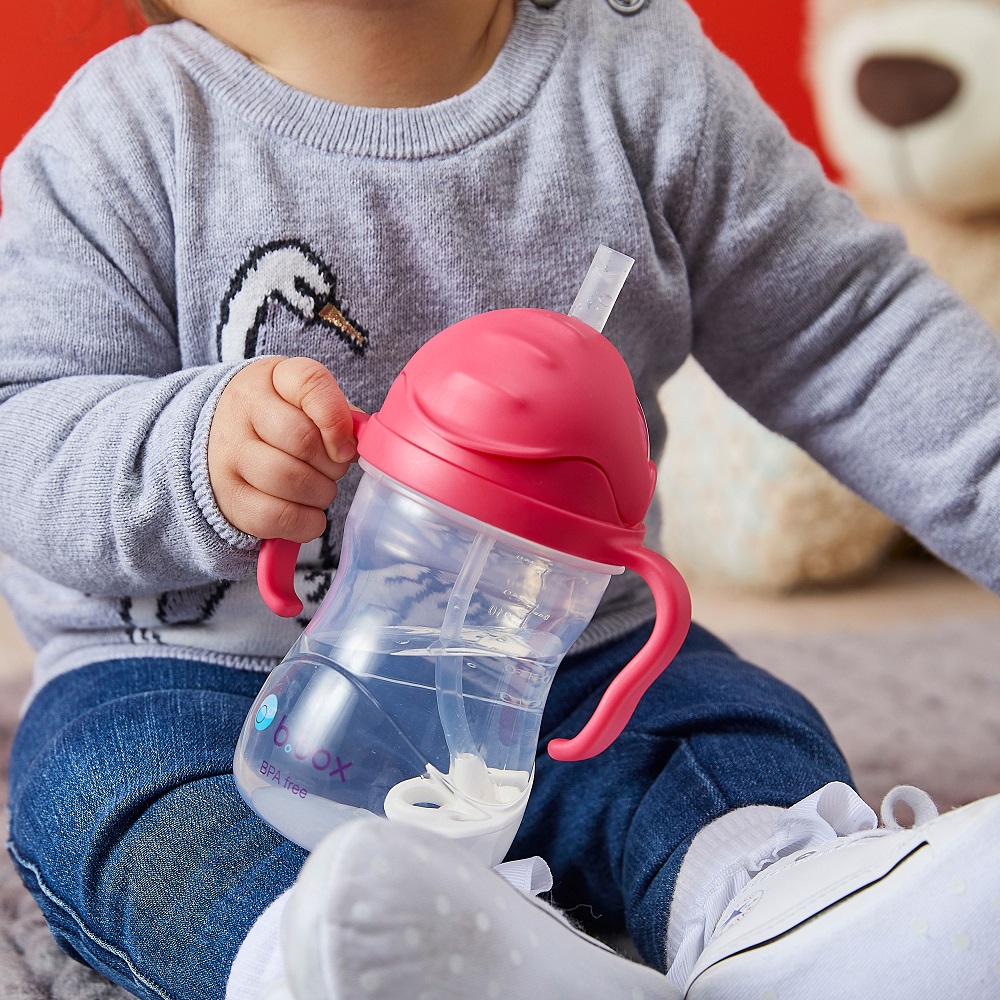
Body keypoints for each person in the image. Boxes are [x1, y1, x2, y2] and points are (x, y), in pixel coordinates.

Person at [1, 0, 998, 998]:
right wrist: (188, 450)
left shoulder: (639, 82)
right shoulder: (124, 136)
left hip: (567, 661)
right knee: (111, 789)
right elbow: (21, 428)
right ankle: (339, 953)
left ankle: (780, 903)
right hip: (193, 686)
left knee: (715, 733)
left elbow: (851, 331)